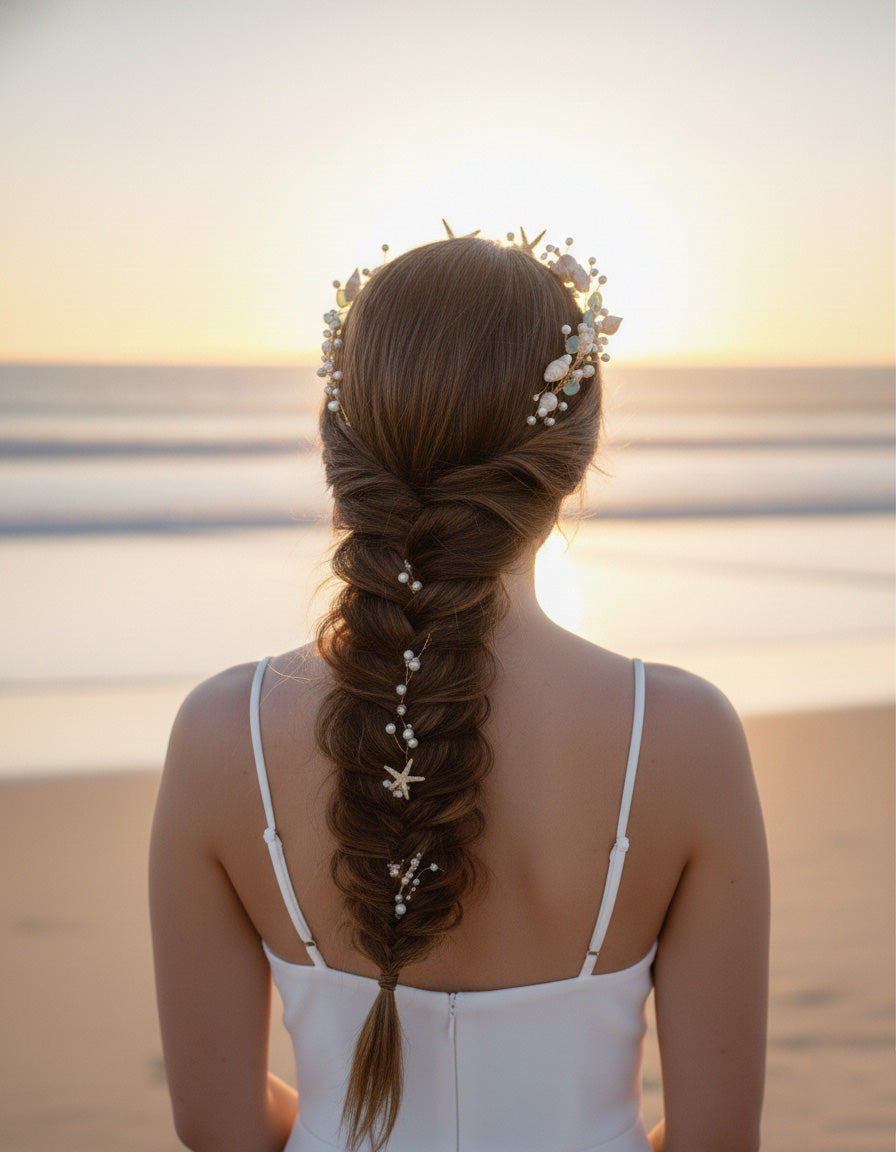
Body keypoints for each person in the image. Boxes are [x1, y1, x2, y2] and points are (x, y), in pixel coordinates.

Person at [150, 231, 769, 1152]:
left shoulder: (219, 734)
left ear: (337, 444)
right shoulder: (681, 736)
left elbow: (219, 1125)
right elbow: (719, 1141)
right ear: (577, 449)